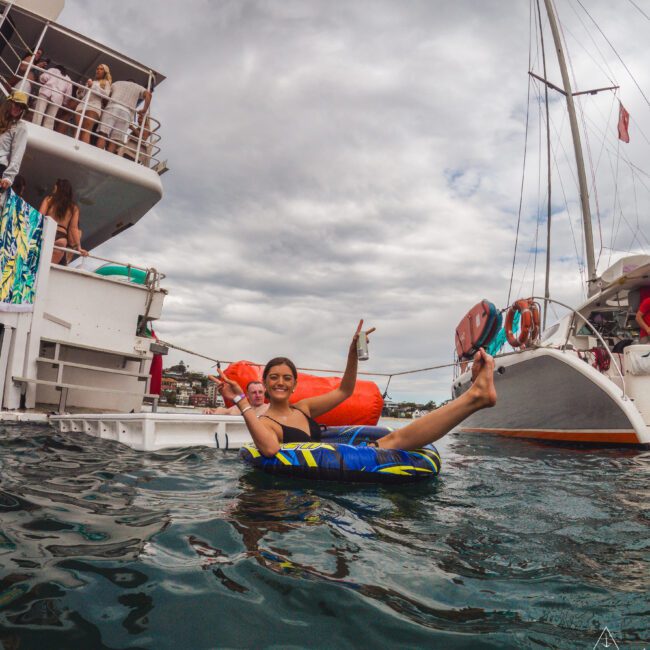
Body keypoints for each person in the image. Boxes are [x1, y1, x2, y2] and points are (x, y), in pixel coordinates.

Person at [214, 320, 497, 457]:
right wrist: (239, 399)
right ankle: (475, 397)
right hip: (322, 476)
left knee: (395, 437)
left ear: (295, 384)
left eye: (287, 378)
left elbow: (345, 391)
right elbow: (269, 449)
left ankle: (476, 396)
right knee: (395, 441)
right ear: (264, 383)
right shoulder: (266, 421)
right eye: (273, 377)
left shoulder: (304, 408)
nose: (280, 382)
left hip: (339, 456)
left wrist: (352, 352)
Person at [38, 179, 88, 265]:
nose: (53, 189)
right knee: (50, 267)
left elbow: (40, 217)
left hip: (47, 233)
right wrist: (79, 247)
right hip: (61, 238)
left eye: (55, 187)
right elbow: (74, 228)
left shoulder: (49, 200)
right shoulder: (74, 207)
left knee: (40, 265)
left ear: (58, 188)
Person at [95, 79, 151, 153]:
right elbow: (149, 95)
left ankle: (97, 153)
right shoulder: (138, 87)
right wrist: (144, 110)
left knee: (103, 135)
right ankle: (106, 158)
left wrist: (104, 106)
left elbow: (107, 96)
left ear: (126, 81)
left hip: (112, 108)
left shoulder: (117, 83)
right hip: (126, 114)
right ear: (134, 83)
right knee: (114, 140)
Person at [0, 92, 29, 203]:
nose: (18, 109)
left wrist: (8, 177)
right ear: (9, 102)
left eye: (21, 107)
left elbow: (18, 153)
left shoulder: (20, 127)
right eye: (16, 104)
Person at [74, 63, 111, 144]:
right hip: (82, 105)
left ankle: (83, 149)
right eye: (97, 68)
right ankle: (74, 145)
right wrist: (80, 90)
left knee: (87, 129)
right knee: (77, 128)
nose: (98, 70)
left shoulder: (106, 83)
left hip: (94, 106)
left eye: (101, 69)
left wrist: (93, 86)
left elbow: (106, 95)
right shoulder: (91, 81)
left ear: (105, 72)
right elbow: (81, 96)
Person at [32, 63, 73, 129]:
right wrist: (64, 102)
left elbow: (43, 77)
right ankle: (46, 132)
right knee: (50, 118)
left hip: (46, 91)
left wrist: (44, 82)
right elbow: (68, 95)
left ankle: (34, 128)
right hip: (58, 97)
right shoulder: (68, 79)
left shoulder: (53, 70)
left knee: (39, 112)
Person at [204, 380, 269, 416]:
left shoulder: (270, 408)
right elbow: (220, 410)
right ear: (248, 395)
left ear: (264, 393)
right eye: (254, 392)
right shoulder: (236, 409)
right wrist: (208, 410)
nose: (258, 395)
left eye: (260, 392)